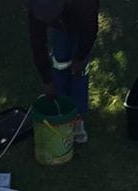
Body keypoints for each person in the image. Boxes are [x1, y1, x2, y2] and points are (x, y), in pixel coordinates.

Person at [28, 0, 100, 144]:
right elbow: (38, 43)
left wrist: (80, 58)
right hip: (61, 26)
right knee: (60, 61)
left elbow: (91, 30)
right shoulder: (36, 8)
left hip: (81, 21)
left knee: (79, 71)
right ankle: (60, 109)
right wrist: (47, 80)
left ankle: (77, 117)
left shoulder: (86, 5)